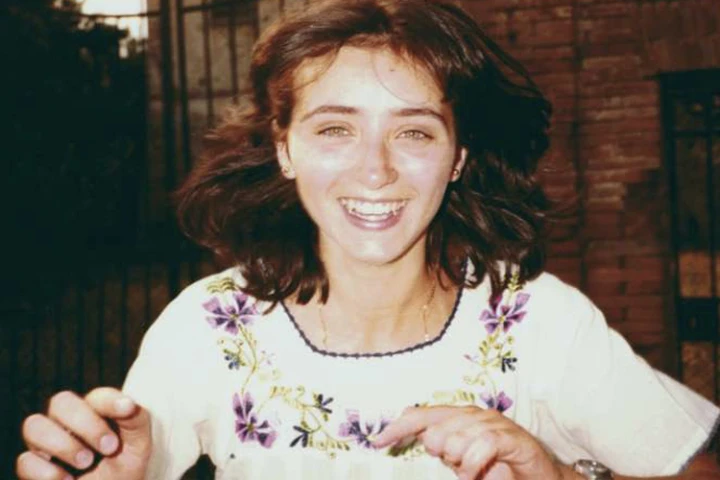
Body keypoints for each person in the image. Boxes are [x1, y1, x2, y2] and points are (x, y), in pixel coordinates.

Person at [16, 0, 720, 479]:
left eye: (413, 132)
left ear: (458, 157)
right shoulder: (207, 327)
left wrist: (557, 475)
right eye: (335, 129)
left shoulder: (540, 322)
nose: (376, 170)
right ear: (284, 148)